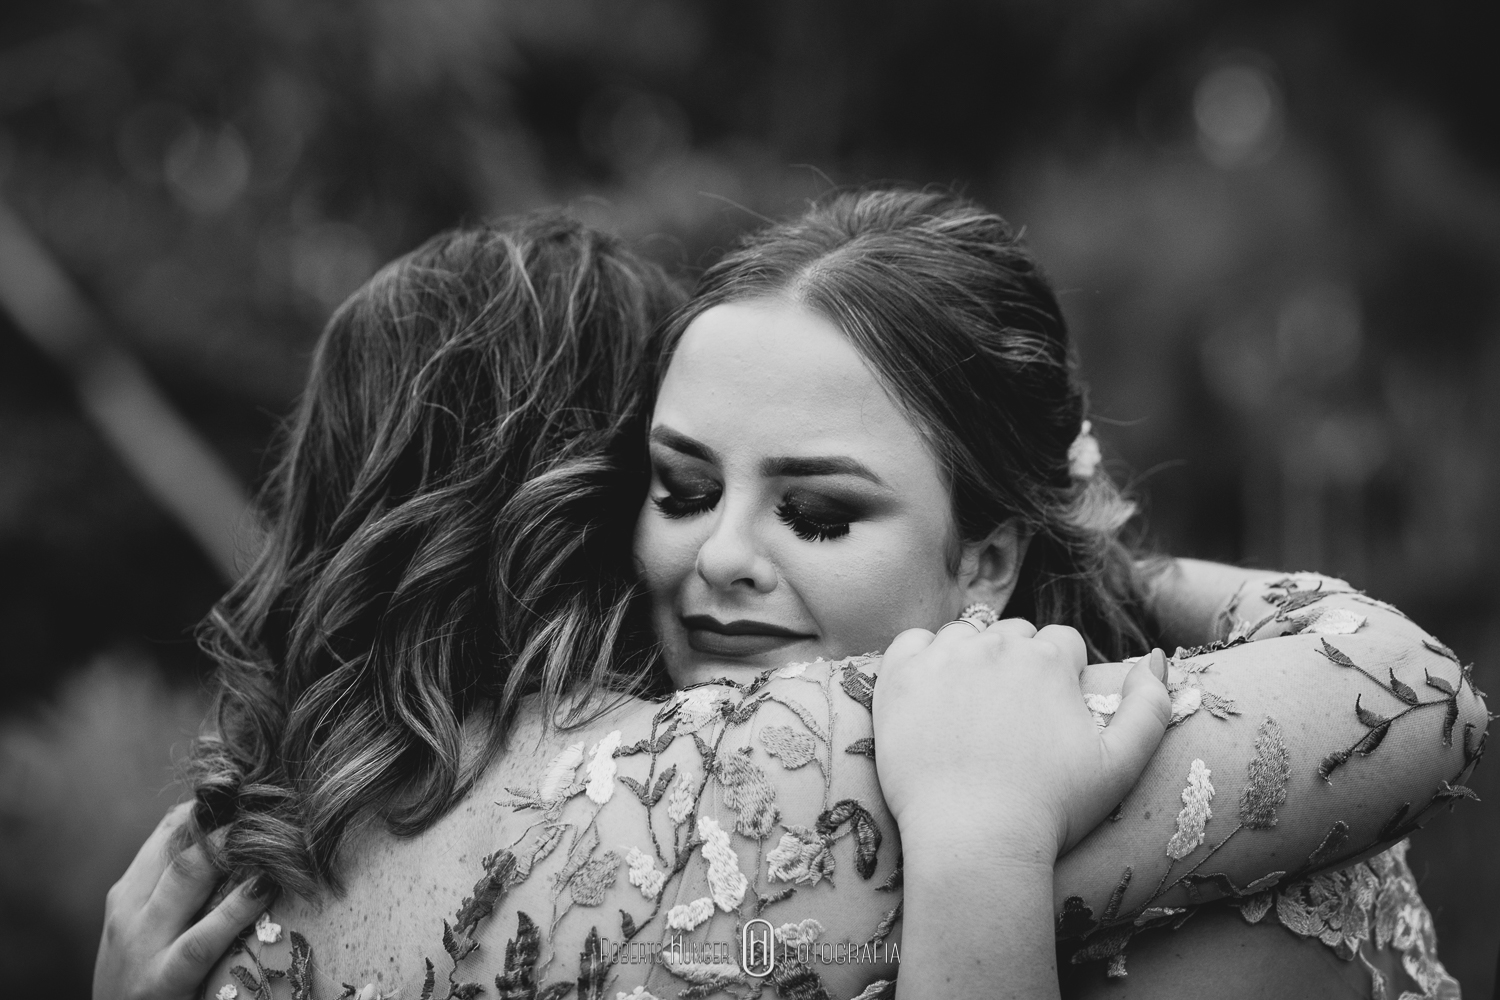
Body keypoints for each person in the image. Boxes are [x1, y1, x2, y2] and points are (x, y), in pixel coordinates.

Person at [98, 198, 1480, 998]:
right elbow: (1403, 687)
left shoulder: (266, 881)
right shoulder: (752, 790)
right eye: (680, 490)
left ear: (990, 555)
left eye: (817, 511)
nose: (717, 559)